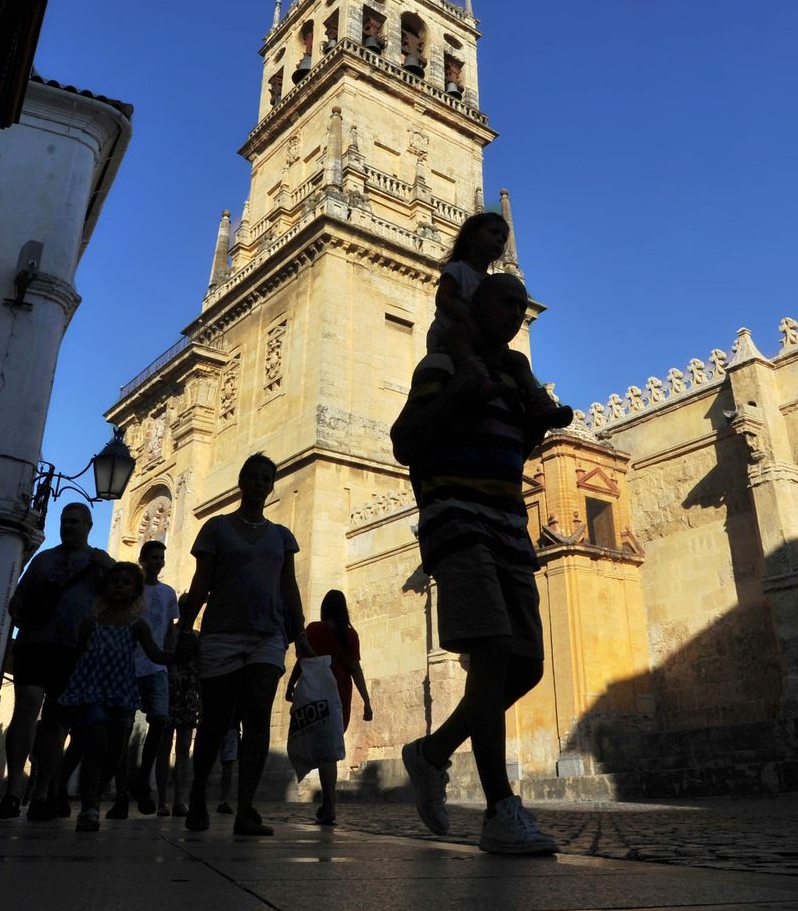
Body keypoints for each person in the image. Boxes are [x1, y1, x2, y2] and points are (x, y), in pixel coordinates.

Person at [391, 272, 573, 855]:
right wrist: (461, 389)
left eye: (523, 305)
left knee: (525, 667)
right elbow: (405, 439)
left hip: (509, 525)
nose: (517, 314)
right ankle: (500, 809)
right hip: (458, 520)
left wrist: (533, 419)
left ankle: (433, 751)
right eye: (505, 302)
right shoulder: (442, 367)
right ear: (475, 307)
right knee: (492, 655)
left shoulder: (512, 379)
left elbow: (513, 449)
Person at [176, 453, 312, 836]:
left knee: (256, 720)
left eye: (264, 478)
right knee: (215, 722)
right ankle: (199, 793)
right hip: (221, 634)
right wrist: (186, 630)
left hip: (268, 637)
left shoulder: (282, 536)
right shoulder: (216, 528)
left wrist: (299, 632)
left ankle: (246, 809)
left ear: (271, 485)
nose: (257, 483)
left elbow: (289, 586)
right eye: (251, 477)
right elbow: (201, 582)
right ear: (241, 482)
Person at [0, 503, 113, 822]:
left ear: (88, 525)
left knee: (58, 722)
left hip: (72, 650)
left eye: (74, 522)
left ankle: (41, 792)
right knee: (27, 707)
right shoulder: (44, 559)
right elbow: (18, 597)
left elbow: (123, 595)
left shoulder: (98, 562)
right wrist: (17, 611)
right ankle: (14, 791)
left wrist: (109, 566)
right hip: (34, 644)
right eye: (64, 521)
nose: (68, 526)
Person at [57, 562, 179, 832]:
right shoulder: (92, 622)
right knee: (96, 742)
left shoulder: (138, 626)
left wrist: (179, 655)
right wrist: (71, 691)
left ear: (136, 591)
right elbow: (79, 655)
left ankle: (95, 793)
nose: (120, 586)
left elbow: (156, 654)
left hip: (123, 692)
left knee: (115, 753)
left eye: (127, 583)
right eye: (115, 581)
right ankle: (89, 807)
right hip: (94, 690)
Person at [427, 213, 560, 419]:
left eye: (503, 238)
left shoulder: (491, 281)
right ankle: (474, 376)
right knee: (460, 336)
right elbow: (443, 299)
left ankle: (538, 401)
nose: (500, 240)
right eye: (494, 233)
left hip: (481, 340)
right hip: (452, 332)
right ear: (471, 237)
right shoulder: (457, 269)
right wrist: (467, 320)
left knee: (518, 359)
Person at [295, 588, 373, 825]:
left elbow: (303, 661)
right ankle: (329, 804)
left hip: (316, 695)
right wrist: (367, 702)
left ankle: (329, 805)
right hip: (340, 697)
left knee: (324, 753)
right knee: (329, 752)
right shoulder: (350, 635)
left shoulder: (314, 630)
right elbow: (355, 670)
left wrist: (291, 685)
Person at [123, 540, 179, 817]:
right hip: (128, 667)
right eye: (153, 557)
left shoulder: (168, 594)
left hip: (157, 667)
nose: (158, 561)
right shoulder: (131, 590)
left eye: (161, 557)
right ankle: (123, 793)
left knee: (159, 719)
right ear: (142, 559)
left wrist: (172, 664)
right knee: (122, 729)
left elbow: (169, 630)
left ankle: (143, 779)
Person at [163, 600, 202, 818]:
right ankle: (163, 800)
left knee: (183, 748)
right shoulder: (171, 634)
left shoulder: (196, 637)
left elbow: (200, 669)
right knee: (166, 745)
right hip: (171, 692)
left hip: (187, 695)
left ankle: (179, 800)